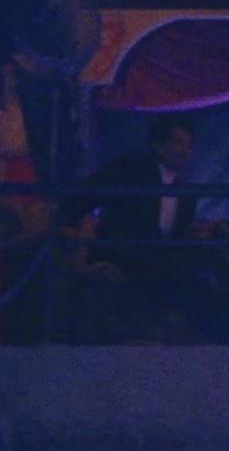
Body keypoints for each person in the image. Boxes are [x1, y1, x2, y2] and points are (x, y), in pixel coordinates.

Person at [60, 114, 216, 341]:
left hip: (157, 259)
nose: (185, 150)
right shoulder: (132, 168)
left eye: (189, 145)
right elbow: (87, 193)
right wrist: (67, 228)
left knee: (204, 280)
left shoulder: (186, 193)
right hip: (123, 252)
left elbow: (177, 236)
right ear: (157, 145)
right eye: (178, 142)